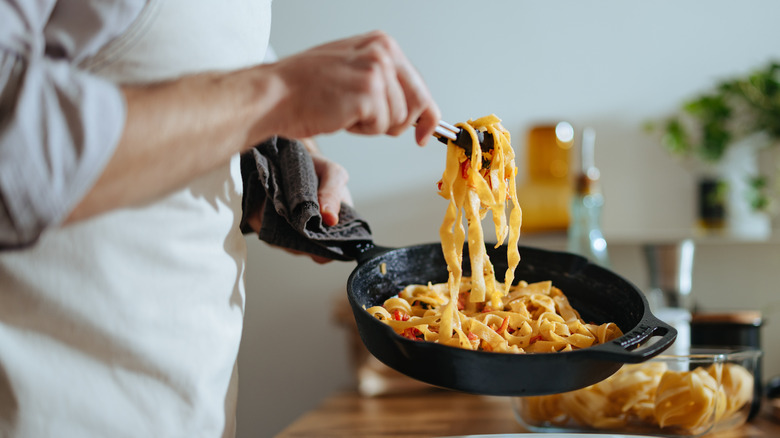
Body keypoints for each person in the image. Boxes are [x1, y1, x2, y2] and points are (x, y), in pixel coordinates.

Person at [0, 1, 441, 437]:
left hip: (194, 405)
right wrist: (280, 93)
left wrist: (278, 165)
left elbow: (184, 79)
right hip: (47, 404)